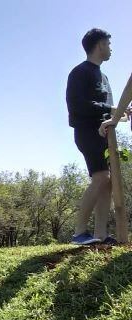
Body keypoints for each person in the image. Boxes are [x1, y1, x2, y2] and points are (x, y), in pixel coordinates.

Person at [66, 28, 121, 245]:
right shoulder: (80, 72)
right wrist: (111, 108)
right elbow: (77, 106)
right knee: (100, 177)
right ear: (99, 45)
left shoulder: (104, 76)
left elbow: (108, 109)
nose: (110, 48)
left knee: (107, 182)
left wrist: (119, 114)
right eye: (108, 44)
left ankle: (100, 234)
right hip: (87, 131)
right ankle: (79, 232)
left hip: (106, 134)